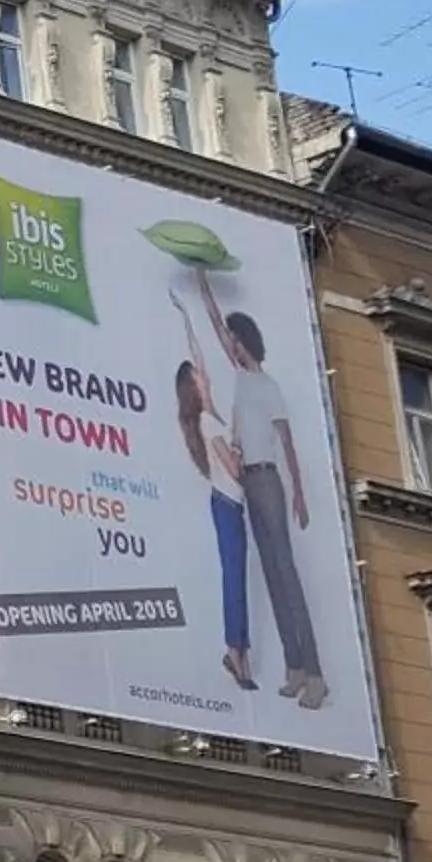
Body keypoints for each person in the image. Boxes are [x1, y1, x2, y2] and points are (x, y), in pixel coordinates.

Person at [199, 272, 327, 709]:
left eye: (236, 338)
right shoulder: (239, 378)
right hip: (248, 480)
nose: (230, 343)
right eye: (229, 338)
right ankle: (293, 668)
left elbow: (286, 441)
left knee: (287, 572)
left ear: (246, 341)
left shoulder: (267, 386)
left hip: (268, 479)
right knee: (271, 573)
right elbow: (215, 327)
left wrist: (300, 493)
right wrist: (202, 283)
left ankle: (315, 674)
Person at [173, 295, 255, 690]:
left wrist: (187, 315)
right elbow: (235, 470)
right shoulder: (208, 421)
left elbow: (198, 355)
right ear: (194, 386)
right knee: (235, 579)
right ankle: (237, 653)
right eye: (199, 376)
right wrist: (244, 454)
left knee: (235, 577)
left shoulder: (209, 414)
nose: (205, 375)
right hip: (227, 504)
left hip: (226, 505)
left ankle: (238, 651)